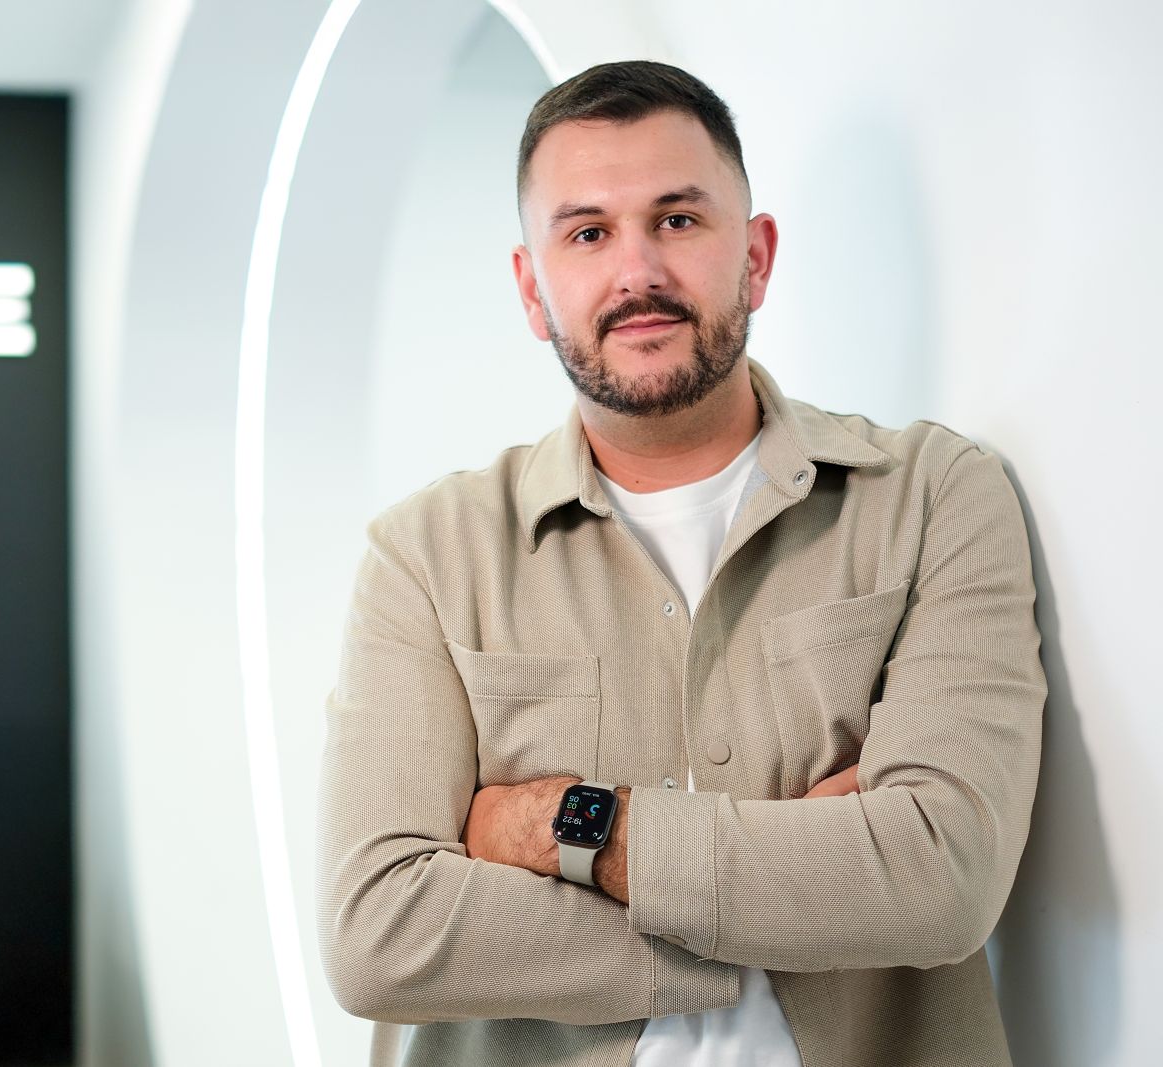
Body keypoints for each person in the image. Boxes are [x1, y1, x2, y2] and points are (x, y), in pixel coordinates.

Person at [316, 60, 1045, 1067]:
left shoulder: (934, 496)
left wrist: (555, 826)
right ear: (532, 289)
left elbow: (940, 877)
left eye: (678, 219)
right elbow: (376, 935)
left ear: (755, 256)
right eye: (587, 233)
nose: (637, 272)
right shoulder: (425, 557)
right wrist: (797, 892)